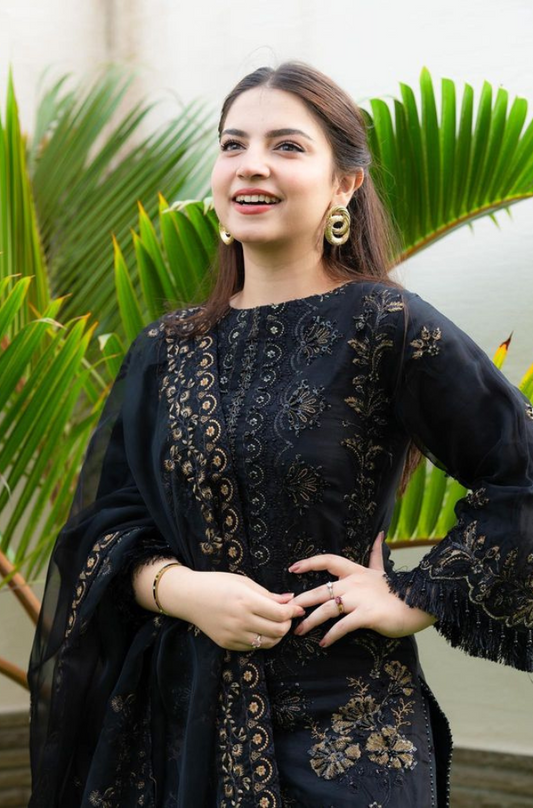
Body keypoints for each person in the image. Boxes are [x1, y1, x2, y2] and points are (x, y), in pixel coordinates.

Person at [27, 60, 533, 808]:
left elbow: (518, 473)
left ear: (344, 185)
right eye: (233, 144)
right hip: (177, 730)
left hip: (348, 729)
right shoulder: (165, 349)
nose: (251, 165)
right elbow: (102, 529)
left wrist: (413, 596)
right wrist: (183, 590)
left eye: (287, 146)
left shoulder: (384, 326)